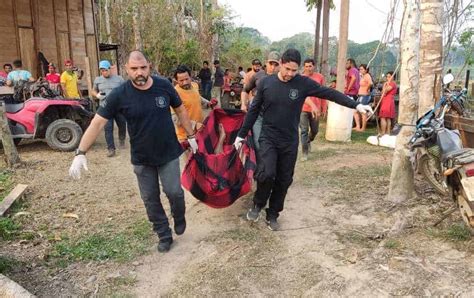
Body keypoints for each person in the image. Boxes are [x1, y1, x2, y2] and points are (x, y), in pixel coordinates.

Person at [69, 51, 198, 253]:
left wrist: (191, 136)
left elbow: (180, 109)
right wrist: (80, 152)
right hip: (142, 158)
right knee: (150, 199)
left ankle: (179, 215)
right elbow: (98, 122)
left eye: (143, 68)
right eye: (134, 68)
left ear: (149, 66)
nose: (140, 72)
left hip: (168, 152)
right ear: (126, 69)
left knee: (174, 191)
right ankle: (164, 234)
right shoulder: (119, 95)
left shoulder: (164, 86)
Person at [233, 49, 373, 231]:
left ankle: (273, 213)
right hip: (269, 137)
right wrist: (241, 135)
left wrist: (356, 105)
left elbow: (329, 94)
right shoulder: (266, 83)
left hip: (289, 140)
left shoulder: (302, 83)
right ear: (281, 63)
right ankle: (258, 204)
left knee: (284, 179)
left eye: (294, 70)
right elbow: (253, 111)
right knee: (266, 173)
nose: (291, 74)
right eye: (288, 69)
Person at [241, 51, 281, 151]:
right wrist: (243, 104)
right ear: (266, 63)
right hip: (258, 114)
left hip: (274, 116)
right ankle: (259, 164)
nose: (273, 67)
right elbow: (245, 90)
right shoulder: (258, 76)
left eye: (276, 64)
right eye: (271, 63)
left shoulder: (282, 78)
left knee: (272, 143)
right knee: (257, 141)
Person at [92, 60, 127, 157]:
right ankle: (111, 149)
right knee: (108, 128)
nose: (104, 72)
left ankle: (121, 140)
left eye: (105, 70)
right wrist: (97, 95)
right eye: (102, 70)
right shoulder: (98, 80)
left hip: (118, 107)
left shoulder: (119, 79)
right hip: (105, 108)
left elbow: (125, 89)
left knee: (122, 125)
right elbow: (93, 90)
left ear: (109, 69)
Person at [173, 64, 210, 146]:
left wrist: (208, 103)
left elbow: (198, 98)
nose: (185, 82)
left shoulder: (194, 85)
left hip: (200, 132)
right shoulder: (174, 93)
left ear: (191, 76)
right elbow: (175, 118)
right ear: (176, 80)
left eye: (187, 79)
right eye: (181, 81)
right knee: (190, 158)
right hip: (186, 137)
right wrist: (194, 125)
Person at [300, 58, 326, 161]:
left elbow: (324, 93)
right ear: (304, 67)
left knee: (315, 131)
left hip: (316, 109)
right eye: (306, 66)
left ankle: (308, 141)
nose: (308, 68)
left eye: (310, 66)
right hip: (303, 108)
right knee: (304, 131)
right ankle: (304, 153)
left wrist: (324, 107)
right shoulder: (300, 78)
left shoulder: (320, 77)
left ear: (314, 66)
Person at [353, 64, 373, 132]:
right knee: (355, 111)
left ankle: (363, 128)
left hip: (365, 95)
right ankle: (358, 126)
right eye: (360, 69)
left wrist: (367, 89)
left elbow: (370, 83)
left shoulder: (367, 76)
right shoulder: (363, 76)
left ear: (366, 70)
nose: (360, 70)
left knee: (362, 111)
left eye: (362, 69)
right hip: (360, 95)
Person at [378, 71, 397, 136]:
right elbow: (382, 93)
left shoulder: (392, 83)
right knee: (387, 118)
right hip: (386, 100)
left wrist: (384, 85)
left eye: (389, 77)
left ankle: (384, 132)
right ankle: (387, 132)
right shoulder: (389, 83)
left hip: (388, 101)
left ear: (393, 77)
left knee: (383, 117)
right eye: (387, 77)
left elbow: (384, 91)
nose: (387, 78)